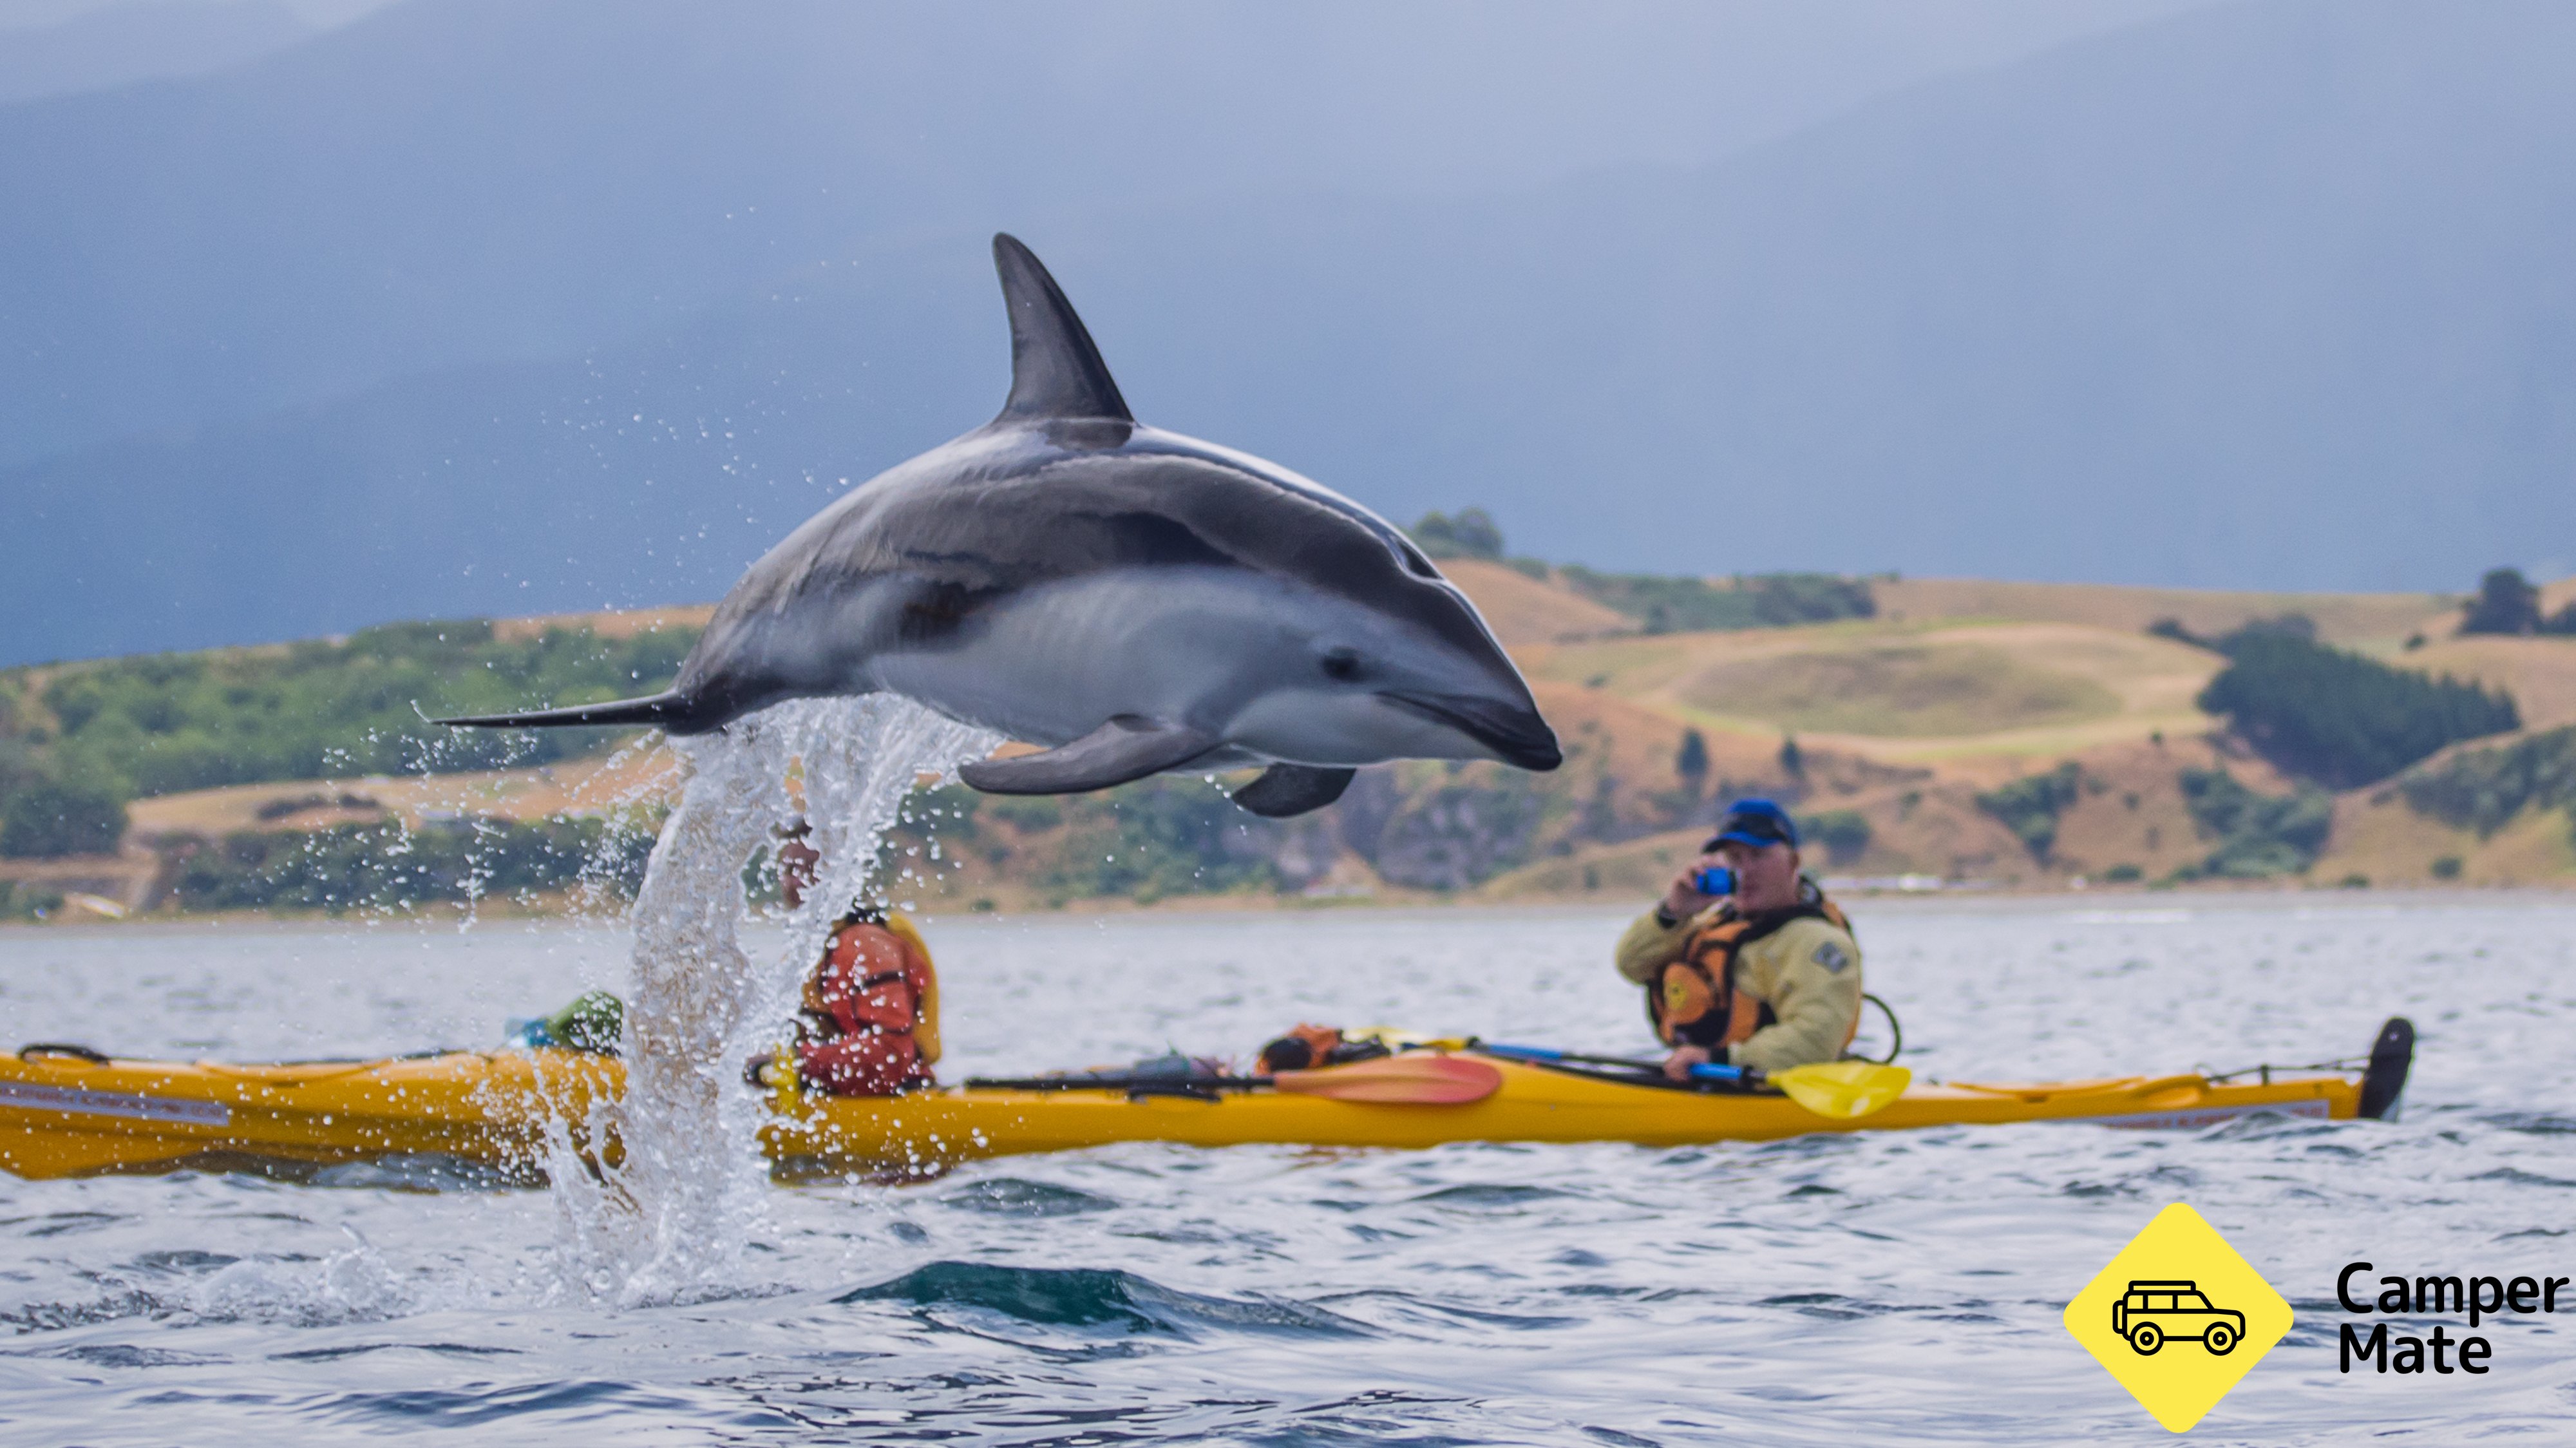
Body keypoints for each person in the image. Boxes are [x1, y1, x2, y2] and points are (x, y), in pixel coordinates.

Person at [1613, 798, 1862, 1082]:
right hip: (1707, 1080)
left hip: (1773, 1089)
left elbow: (1816, 1039)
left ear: (1793, 862)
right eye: (1734, 859)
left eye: (1757, 856)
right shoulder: (1714, 925)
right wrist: (1673, 912)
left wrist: (1722, 1059)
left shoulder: (1819, 942)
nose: (1745, 871)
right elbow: (1631, 965)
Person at [771, 819, 942, 1097]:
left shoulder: (866, 945)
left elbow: (891, 1056)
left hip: (897, 1102)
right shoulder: (812, 951)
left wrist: (798, 1064)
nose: (797, 882)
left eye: (810, 869)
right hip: (836, 1096)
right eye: (789, 870)